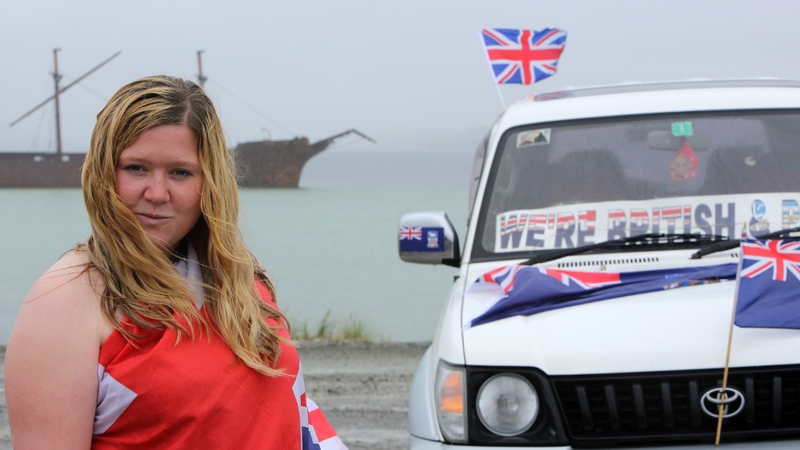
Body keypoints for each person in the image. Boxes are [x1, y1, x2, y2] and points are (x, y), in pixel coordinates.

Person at [5, 75, 346, 450]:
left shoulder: (238, 278)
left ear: (209, 182)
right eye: (136, 168)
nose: (156, 193)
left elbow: (290, 411)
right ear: (103, 171)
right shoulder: (64, 302)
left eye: (180, 172)